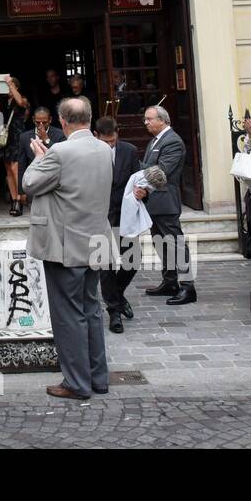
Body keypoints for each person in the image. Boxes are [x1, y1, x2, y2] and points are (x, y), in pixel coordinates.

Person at [21, 97, 112, 401]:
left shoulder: (59, 152)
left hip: (66, 245)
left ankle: (76, 382)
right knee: (92, 310)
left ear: (62, 120)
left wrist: (38, 156)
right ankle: (98, 377)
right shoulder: (105, 149)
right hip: (96, 241)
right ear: (89, 116)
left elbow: (30, 184)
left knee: (68, 315)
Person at [132, 106, 195, 305]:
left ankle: (187, 286)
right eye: (145, 119)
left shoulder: (173, 141)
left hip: (166, 201)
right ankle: (170, 281)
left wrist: (134, 164)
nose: (146, 122)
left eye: (149, 119)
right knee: (160, 242)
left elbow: (162, 171)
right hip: (154, 201)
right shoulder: (155, 140)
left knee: (175, 243)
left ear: (163, 120)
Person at [95, 116, 142, 333]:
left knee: (133, 259)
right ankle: (114, 311)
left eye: (112, 141)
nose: (110, 145)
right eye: (106, 142)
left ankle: (118, 295)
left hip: (126, 215)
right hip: (100, 216)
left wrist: (143, 191)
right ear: (97, 137)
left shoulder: (129, 150)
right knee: (106, 265)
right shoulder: (89, 154)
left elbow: (138, 179)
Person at [0, 75, 30, 215]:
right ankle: (14, 200)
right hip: (5, 137)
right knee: (8, 169)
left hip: (17, 136)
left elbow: (20, 102)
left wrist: (10, 84)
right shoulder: (2, 100)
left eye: (10, 86)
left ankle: (20, 199)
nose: (7, 88)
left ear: (15, 87)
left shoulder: (22, 98)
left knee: (15, 168)